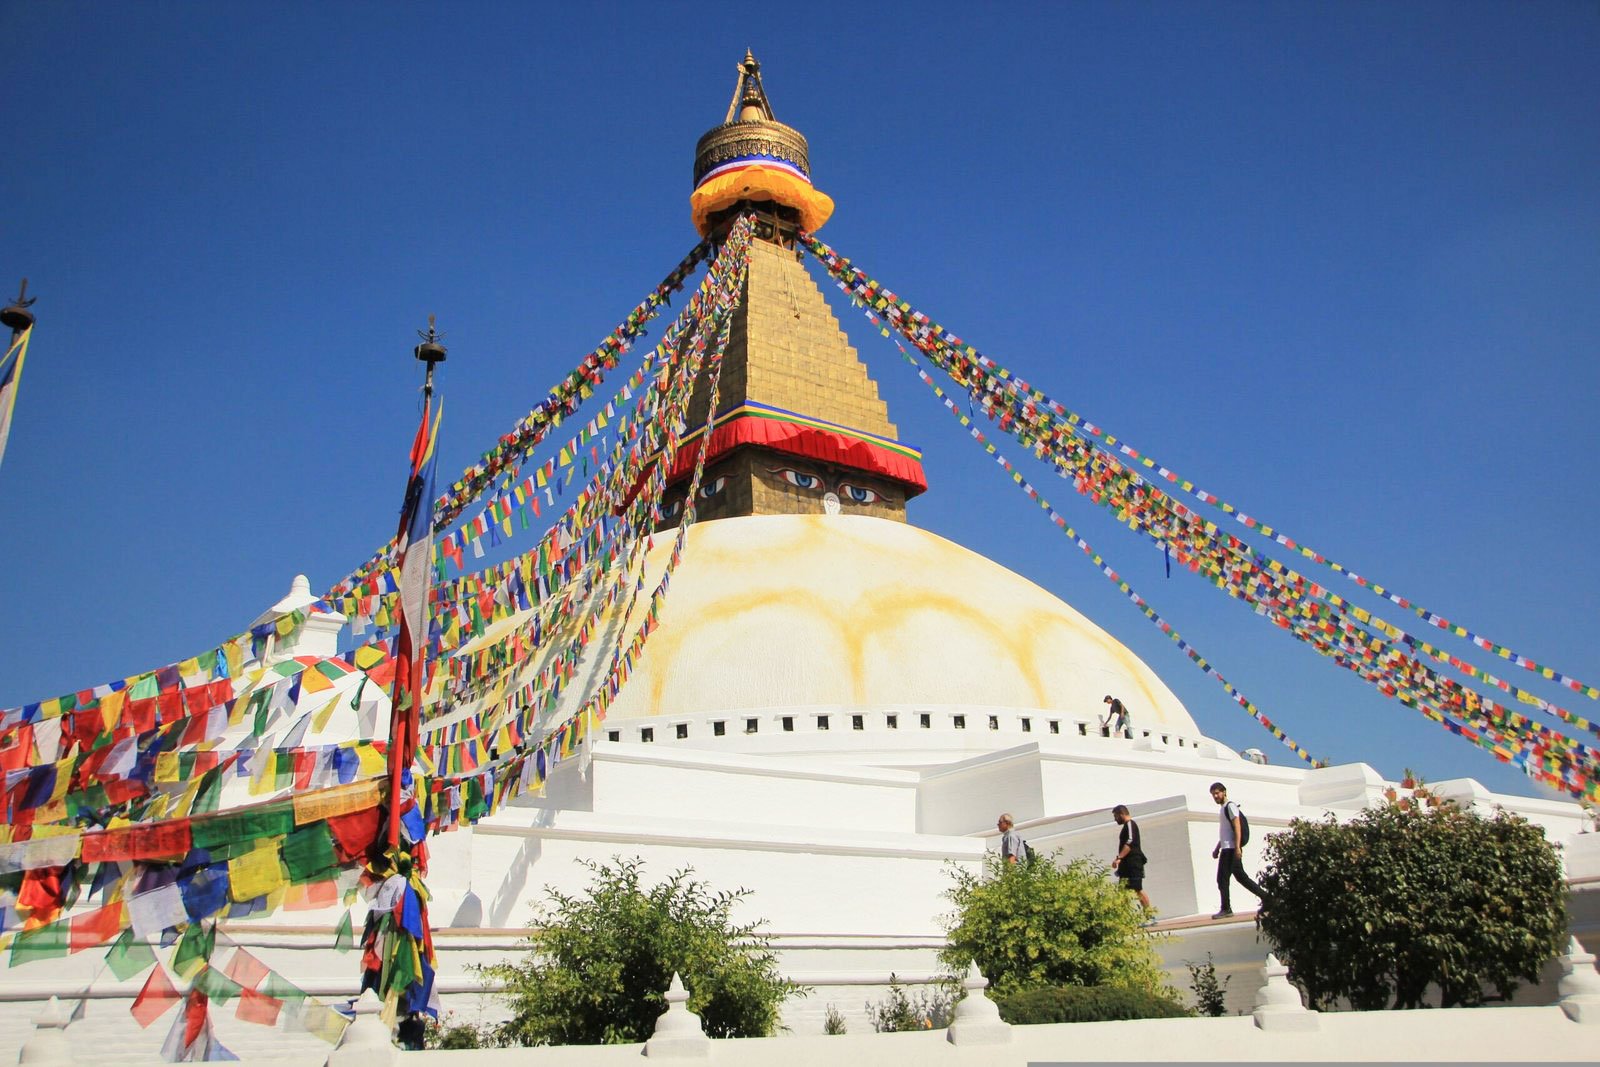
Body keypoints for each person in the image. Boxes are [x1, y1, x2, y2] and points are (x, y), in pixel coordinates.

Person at [1210, 781, 1267, 919]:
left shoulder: (1230, 806)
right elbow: (1226, 832)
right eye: (1213, 794)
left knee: (1222, 879)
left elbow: (1237, 827)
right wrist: (1218, 848)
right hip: (1227, 847)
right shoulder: (1223, 808)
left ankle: (1226, 908)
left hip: (1231, 849)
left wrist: (1237, 848)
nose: (1216, 796)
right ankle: (1268, 898)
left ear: (1224, 792)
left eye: (1217, 793)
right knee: (1241, 877)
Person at [1110, 804, 1152, 911]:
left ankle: (1149, 915)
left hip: (1133, 864)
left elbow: (1130, 841)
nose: (1115, 819)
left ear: (1122, 814)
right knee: (1122, 891)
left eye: (1116, 816)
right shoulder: (1126, 826)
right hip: (1126, 865)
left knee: (1137, 889)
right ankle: (1122, 918)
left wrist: (1119, 857)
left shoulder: (1130, 824)